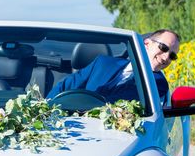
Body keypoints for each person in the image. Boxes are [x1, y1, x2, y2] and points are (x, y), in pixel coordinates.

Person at [47, 29, 180, 104]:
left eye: (172, 56)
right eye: (163, 48)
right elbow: (64, 87)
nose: (165, 58)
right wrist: (45, 110)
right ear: (146, 44)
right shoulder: (102, 63)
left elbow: (116, 102)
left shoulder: (157, 83)